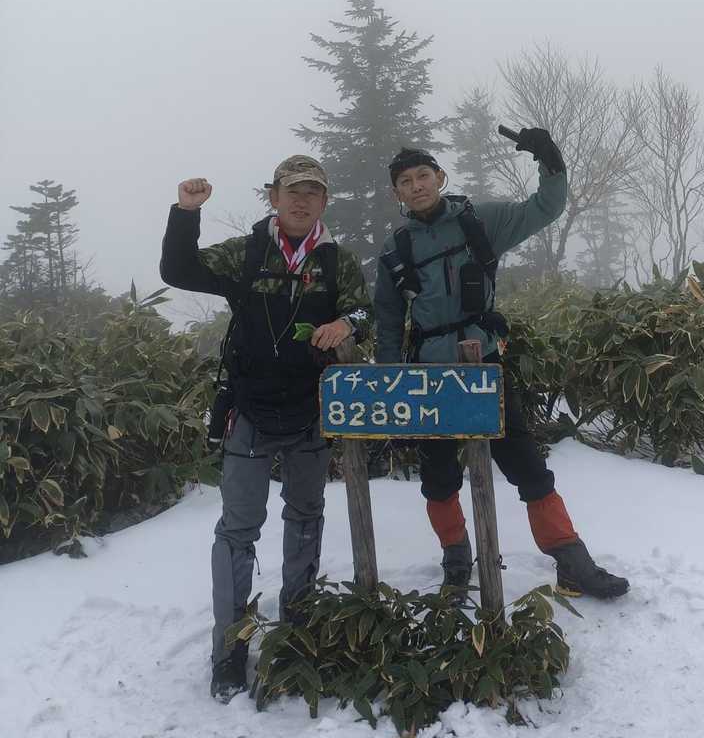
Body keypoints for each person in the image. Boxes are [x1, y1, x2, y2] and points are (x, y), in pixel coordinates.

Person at [373, 129, 629, 601]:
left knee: (527, 466)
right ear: (397, 194)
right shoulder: (395, 249)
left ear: (440, 177)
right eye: (405, 182)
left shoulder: (480, 221)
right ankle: (456, 561)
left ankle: (572, 561)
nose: (416, 186)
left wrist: (551, 164)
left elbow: (544, 208)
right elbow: (388, 322)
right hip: (430, 378)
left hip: (485, 366)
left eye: (423, 175)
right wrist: (393, 388)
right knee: (438, 479)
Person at [160, 155, 370, 702]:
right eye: (291, 191)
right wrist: (186, 213)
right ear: (273, 197)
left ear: (324, 202)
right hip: (249, 411)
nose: (301, 200)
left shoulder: (337, 261)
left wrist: (346, 323)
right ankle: (229, 649)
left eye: (312, 192)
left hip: (310, 412)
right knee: (238, 531)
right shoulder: (248, 252)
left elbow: (366, 313)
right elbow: (179, 272)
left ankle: (297, 629)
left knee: (305, 517)